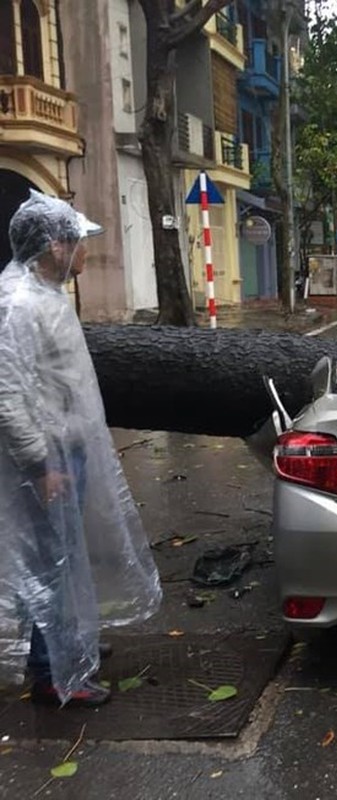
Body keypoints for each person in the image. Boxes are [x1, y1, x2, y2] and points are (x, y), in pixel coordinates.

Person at [0, 191, 161, 707]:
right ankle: (54, 673)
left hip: (61, 450)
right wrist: (40, 463)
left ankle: (70, 645)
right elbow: (8, 396)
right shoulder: (19, 305)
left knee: (65, 557)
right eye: (79, 241)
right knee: (49, 561)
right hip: (42, 460)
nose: (86, 252)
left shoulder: (44, 295)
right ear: (53, 246)